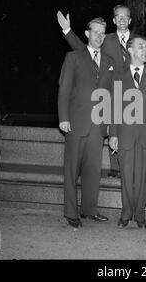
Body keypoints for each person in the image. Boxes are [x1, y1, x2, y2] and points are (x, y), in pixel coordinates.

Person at [57, 5, 136, 178]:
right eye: (118, 16)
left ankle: (131, 168)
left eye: (126, 16)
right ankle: (115, 168)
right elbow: (83, 51)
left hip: (132, 95)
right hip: (109, 93)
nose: (122, 20)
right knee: (113, 128)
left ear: (130, 19)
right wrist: (68, 30)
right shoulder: (104, 38)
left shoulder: (140, 40)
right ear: (114, 20)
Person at [58, 17, 114, 228]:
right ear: (87, 34)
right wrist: (63, 118)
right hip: (76, 122)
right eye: (95, 32)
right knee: (71, 170)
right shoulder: (73, 57)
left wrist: (108, 123)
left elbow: (110, 95)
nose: (99, 36)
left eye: (102, 33)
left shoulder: (110, 62)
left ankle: (89, 210)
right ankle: (71, 213)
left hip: (98, 126)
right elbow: (64, 89)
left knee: (93, 170)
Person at [109, 36, 146, 229]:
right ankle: (126, 213)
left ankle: (140, 213)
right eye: (141, 46)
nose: (145, 50)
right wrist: (113, 134)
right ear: (130, 50)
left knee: (144, 176)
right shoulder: (118, 76)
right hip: (125, 135)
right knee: (126, 176)